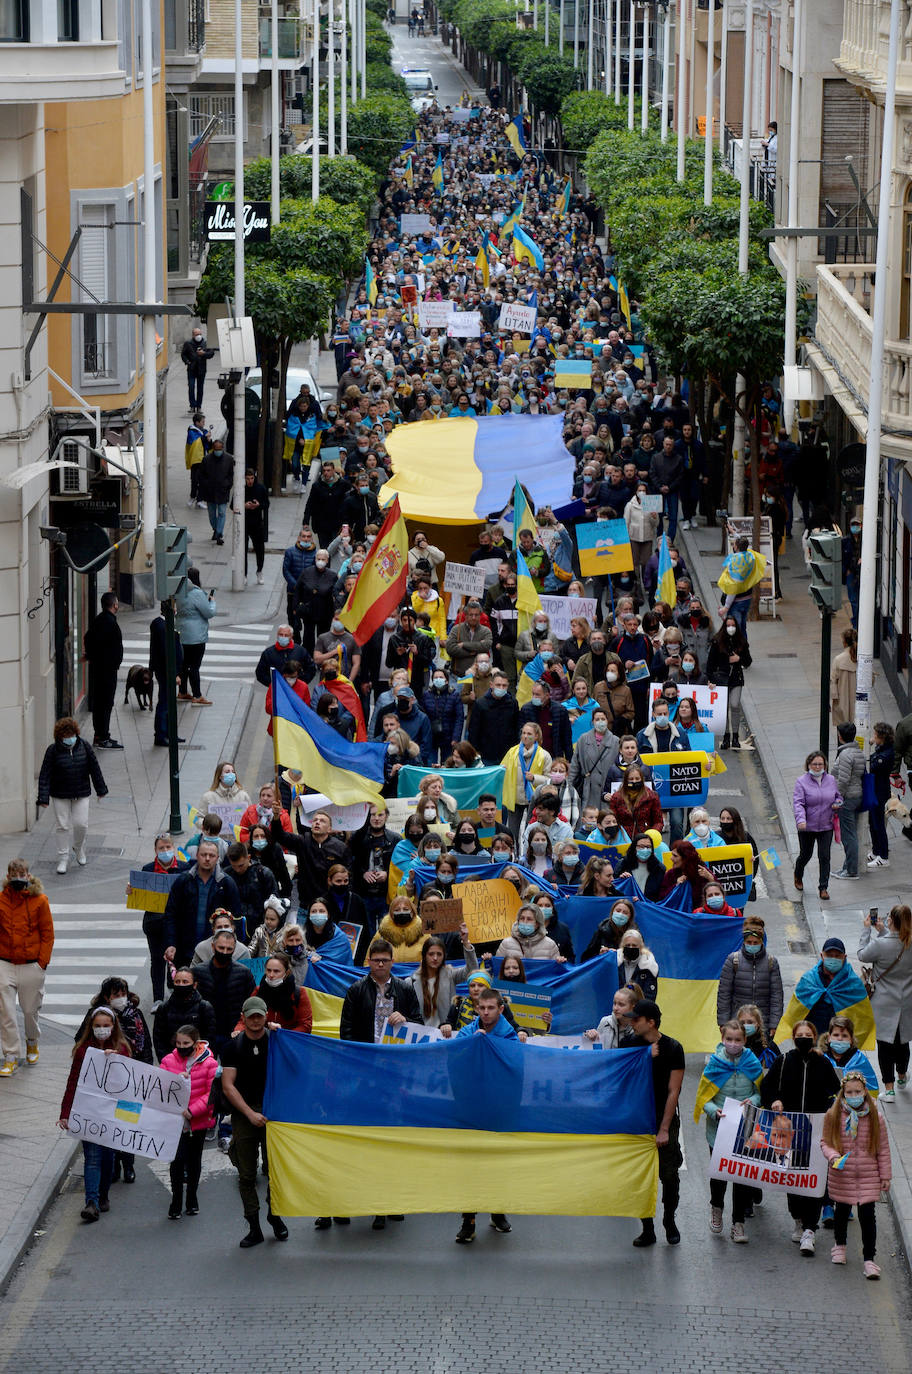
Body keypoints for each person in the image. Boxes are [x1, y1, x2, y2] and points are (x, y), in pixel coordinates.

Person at [759, 1020, 841, 1255]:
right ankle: (797, 1218)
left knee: (814, 1179)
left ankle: (809, 1229)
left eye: (808, 1034)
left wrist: (830, 1108)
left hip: (816, 1132)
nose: (804, 1038)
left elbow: (835, 1092)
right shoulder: (783, 1061)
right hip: (789, 1132)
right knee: (793, 1179)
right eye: (800, 1034)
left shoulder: (823, 1063)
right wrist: (774, 1100)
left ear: (814, 1037)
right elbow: (767, 1087)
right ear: (794, 1038)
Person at [220, 997, 289, 1247]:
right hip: (244, 1114)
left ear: (266, 1016)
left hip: (274, 1113)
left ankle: (275, 1215)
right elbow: (228, 1086)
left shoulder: (277, 1041)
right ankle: (254, 1226)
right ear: (244, 1017)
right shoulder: (232, 1047)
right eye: (251, 1016)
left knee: (275, 1172)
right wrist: (249, 1114)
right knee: (246, 1175)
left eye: (260, 1016)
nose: (256, 1020)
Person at [452, 987, 517, 1244]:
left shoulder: (509, 1034)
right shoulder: (468, 1032)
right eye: (482, 1008)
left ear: (501, 1009)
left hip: (499, 1110)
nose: (486, 1013)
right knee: (470, 1164)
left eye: (491, 1008)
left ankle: (497, 1211)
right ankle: (468, 1220)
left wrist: (491, 1049)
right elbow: (455, 1063)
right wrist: (471, 1046)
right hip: (471, 1109)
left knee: (498, 1162)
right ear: (476, 1008)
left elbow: (513, 1067)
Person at [58, 1006, 130, 1222]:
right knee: (92, 1158)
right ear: (91, 1027)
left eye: (106, 1026)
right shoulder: (83, 1050)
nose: (101, 1030)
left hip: (110, 1114)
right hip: (88, 1112)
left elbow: (129, 1082)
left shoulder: (122, 1048)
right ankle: (91, 1202)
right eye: (97, 1026)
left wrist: (115, 1059)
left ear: (113, 1027)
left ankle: (103, 1195)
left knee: (108, 1158)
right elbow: (73, 1082)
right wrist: (65, 1113)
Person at [695, 1020, 762, 1243]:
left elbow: (760, 1091)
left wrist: (752, 1100)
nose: (733, 1044)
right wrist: (715, 1111)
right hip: (719, 1129)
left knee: (741, 1175)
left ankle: (738, 1224)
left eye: (738, 1040)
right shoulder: (714, 1063)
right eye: (729, 1039)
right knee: (720, 1174)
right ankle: (716, 1207)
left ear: (745, 1040)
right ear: (723, 1039)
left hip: (744, 1129)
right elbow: (704, 1097)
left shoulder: (752, 1062)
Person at [820, 1069, 891, 1277]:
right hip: (843, 1173)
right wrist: (833, 1156)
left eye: (857, 1092)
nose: (853, 1096)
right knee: (841, 1212)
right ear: (843, 1093)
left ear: (865, 1091)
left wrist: (885, 1175)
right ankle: (839, 1246)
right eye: (849, 1093)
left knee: (868, 1218)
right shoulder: (832, 1115)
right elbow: (825, 1142)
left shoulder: (876, 1118)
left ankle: (869, 1259)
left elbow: (883, 1149)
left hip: (869, 1175)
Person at [627, 999, 685, 1246]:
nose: (631, 1022)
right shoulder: (629, 1045)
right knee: (639, 1177)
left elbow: (674, 1091)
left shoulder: (673, 1048)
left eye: (636, 1019)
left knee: (669, 1175)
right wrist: (642, 1057)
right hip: (636, 1121)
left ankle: (669, 1220)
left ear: (651, 1022)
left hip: (663, 1119)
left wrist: (664, 1129)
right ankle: (647, 1227)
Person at [0, 859, 54, 1076]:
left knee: (30, 1010)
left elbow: (47, 933)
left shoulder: (40, 900)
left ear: (29, 875)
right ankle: (10, 1056)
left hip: (32, 965)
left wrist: (42, 963)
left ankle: (32, 1041)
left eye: (22, 873)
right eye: (14, 873)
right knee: (6, 1012)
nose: (18, 877)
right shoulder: (1, 900)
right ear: (8, 876)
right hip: (5, 963)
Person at [37, 717, 108, 875]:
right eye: (65, 735)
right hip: (60, 794)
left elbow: (94, 768)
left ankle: (78, 847)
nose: (69, 738)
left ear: (76, 733)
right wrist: (43, 798)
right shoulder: (52, 750)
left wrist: (101, 789)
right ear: (59, 737)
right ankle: (63, 856)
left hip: (81, 792)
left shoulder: (84, 746)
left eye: (71, 734)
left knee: (81, 824)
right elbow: (45, 775)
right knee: (62, 826)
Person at [160, 1026, 218, 1219]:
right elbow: (159, 1087)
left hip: (197, 1122)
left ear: (195, 1043)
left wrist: (193, 1111)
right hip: (175, 1123)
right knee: (176, 1161)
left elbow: (211, 1094)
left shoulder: (209, 1063)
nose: (181, 1047)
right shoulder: (168, 1061)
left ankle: (191, 1199)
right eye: (178, 1043)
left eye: (186, 1043)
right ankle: (176, 1201)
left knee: (194, 1162)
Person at [857, 904, 912, 1101]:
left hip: (883, 1002)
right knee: (902, 1041)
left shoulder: (880, 945)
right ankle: (902, 1075)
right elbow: (896, 942)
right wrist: (883, 931)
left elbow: (862, 954)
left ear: (891, 921)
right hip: (906, 1001)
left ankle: (888, 1089)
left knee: (885, 1046)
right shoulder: (909, 942)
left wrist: (867, 929)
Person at [163, 842, 241, 967]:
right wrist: (171, 943)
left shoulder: (226, 884)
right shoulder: (183, 881)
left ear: (217, 858)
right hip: (184, 950)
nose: (207, 859)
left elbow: (236, 917)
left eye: (212, 855)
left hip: (214, 952)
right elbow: (170, 914)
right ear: (197, 856)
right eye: (204, 855)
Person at [716, 915, 784, 1035]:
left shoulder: (771, 962)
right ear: (744, 941)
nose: (752, 945)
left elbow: (776, 996)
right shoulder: (733, 960)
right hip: (737, 1024)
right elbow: (724, 994)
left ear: (761, 941)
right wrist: (723, 1022)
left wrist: (774, 1024)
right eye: (749, 942)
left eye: (755, 942)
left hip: (763, 1025)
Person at [792, 750, 842, 900]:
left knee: (825, 856)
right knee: (805, 855)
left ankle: (823, 888)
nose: (818, 767)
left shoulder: (831, 780)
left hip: (826, 826)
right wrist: (801, 820)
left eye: (820, 764)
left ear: (825, 765)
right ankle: (798, 874)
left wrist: (838, 803)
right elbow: (798, 803)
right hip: (807, 827)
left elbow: (838, 797)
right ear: (808, 765)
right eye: (814, 764)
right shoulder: (801, 781)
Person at [410, 931, 479, 1029]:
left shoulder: (450, 974)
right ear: (424, 956)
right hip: (421, 1037)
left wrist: (466, 943)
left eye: (439, 954)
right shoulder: (410, 982)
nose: (435, 958)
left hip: (448, 1034)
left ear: (444, 956)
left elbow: (473, 971)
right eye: (431, 954)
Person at [83, 590, 124, 749]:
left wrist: (91, 656)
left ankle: (100, 735)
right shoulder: (110, 623)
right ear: (114, 604)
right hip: (107, 671)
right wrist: (112, 662)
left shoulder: (99, 620)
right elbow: (112, 648)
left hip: (99, 669)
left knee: (101, 703)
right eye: (117, 602)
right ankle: (102, 737)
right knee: (105, 704)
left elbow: (88, 638)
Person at [152, 965, 216, 1062]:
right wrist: (166, 1061)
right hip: (171, 1062)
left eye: (185, 982)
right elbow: (159, 1039)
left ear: (194, 985)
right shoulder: (164, 1008)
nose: (181, 985)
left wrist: (200, 1061)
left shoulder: (204, 1007)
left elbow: (209, 1038)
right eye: (177, 982)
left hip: (197, 1061)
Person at [706, 616, 751, 750]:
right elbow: (710, 663)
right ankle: (726, 736)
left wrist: (739, 658)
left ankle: (736, 737)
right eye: (728, 625)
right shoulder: (717, 641)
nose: (731, 628)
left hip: (736, 678)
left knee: (735, 705)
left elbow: (748, 661)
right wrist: (711, 679)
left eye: (733, 625)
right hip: (722, 679)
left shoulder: (742, 641)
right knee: (723, 709)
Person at [175, 569, 216, 706]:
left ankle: (182, 691)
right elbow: (209, 613)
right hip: (196, 636)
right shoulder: (197, 594)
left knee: (184, 664)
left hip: (181, 633)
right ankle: (197, 695)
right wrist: (212, 602)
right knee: (194, 666)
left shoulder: (179, 592)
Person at [831, 720, 865, 882]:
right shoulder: (857, 752)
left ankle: (851, 871)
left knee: (848, 836)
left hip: (847, 799)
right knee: (851, 834)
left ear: (840, 736)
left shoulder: (845, 755)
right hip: (856, 796)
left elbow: (843, 781)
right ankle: (847, 867)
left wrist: (838, 798)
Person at [149, 601, 185, 748]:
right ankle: (161, 734)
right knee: (165, 703)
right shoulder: (163, 627)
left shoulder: (162, 624)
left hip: (165, 670)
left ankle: (169, 733)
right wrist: (174, 673)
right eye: (175, 606)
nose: (177, 609)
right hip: (166, 672)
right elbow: (166, 653)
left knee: (169, 703)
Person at [866, 721, 894, 869]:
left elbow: (871, 765)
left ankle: (883, 856)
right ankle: (876, 850)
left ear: (882, 737)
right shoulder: (881, 748)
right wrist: (872, 743)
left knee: (879, 825)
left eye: (875, 735)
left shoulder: (886, 754)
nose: (873, 737)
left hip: (880, 791)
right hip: (874, 789)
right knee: (872, 822)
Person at [199, 435, 234, 546]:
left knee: (222, 512)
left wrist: (227, 484)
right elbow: (201, 475)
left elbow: (230, 474)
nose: (218, 451)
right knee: (212, 513)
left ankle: (219, 533)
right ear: (213, 449)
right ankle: (215, 528)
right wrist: (206, 484)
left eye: (220, 449)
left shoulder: (229, 459)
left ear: (222, 448)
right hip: (210, 491)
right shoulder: (206, 460)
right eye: (216, 449)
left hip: (223, 491)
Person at [496, 903, 560, 961]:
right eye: (522, 918)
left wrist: (560, 962)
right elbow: (498, 968)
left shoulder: (550, 945)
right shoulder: (506, 944)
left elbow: (557, 971)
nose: (525, 921)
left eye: (529, 919)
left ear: (537, 923)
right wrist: (488, 961)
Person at [241, 468, 269, 584]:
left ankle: (259, 571)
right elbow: (233, 505)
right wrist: (244, 506)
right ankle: (244, 574)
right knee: (243, 550)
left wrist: (258, 505)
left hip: (257, 523)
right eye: (247, 479)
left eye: (251, 478)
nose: (250, 481)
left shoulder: (261, 488)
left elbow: (267, 504)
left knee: (260, 549)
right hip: (244, 523)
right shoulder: (241, 489)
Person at [616, 929, 658, 1003]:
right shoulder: (614, 964)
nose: (631, 948)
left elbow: (649, 998)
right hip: (615, 1009)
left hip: (639, 1011)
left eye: (634, 945)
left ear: (641, 947)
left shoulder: (648, 967)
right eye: (627, 945)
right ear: (622, 946)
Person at [829, 627, 857, 730]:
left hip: (841, 702)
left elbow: (833, 682)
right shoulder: (861, 657)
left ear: (844, 642)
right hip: (858, 703)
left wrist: (833, 700)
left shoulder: (838, 659)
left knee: (843, 733)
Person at [181, 325, 214, 410]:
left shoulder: (205, 343)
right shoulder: (188, 344)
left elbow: (211, 353)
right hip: (191, 369)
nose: (199, 336)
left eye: (200, 334)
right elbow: (183, 354)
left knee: (200, 389)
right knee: (191, 387)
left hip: (201, 370)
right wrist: (187, 362)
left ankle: (199, 406)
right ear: (193, 335)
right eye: (196, 334)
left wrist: (204, 354)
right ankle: (192, 405)